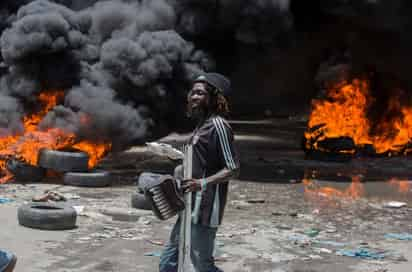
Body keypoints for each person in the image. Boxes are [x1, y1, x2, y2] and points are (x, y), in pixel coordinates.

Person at [159, 72, 240, 272]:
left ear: (214, 97)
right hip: (187, 203)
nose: (193, 97)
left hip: (205, 207)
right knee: (169, 261)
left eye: (200, 93)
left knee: (201, 265)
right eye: (192, 92)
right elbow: (202, 161)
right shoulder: (202, 125)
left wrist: (201, 183)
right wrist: (178, 159)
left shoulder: (218, 126)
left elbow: (233, 168)